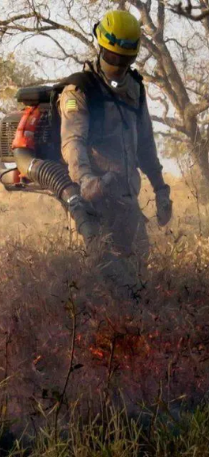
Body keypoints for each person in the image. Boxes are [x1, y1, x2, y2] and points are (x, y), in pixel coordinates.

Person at [58, 10, 173, 291]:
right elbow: (73, 142)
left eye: (125, 60)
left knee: (137, 276)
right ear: (101, 48)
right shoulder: (79, 90)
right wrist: (86, 181)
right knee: (96, 277)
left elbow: (145, 143)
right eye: (112, 57)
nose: (117, 65)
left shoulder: (135, 88)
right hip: (91, 200)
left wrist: (160, 189)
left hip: (127, 199)